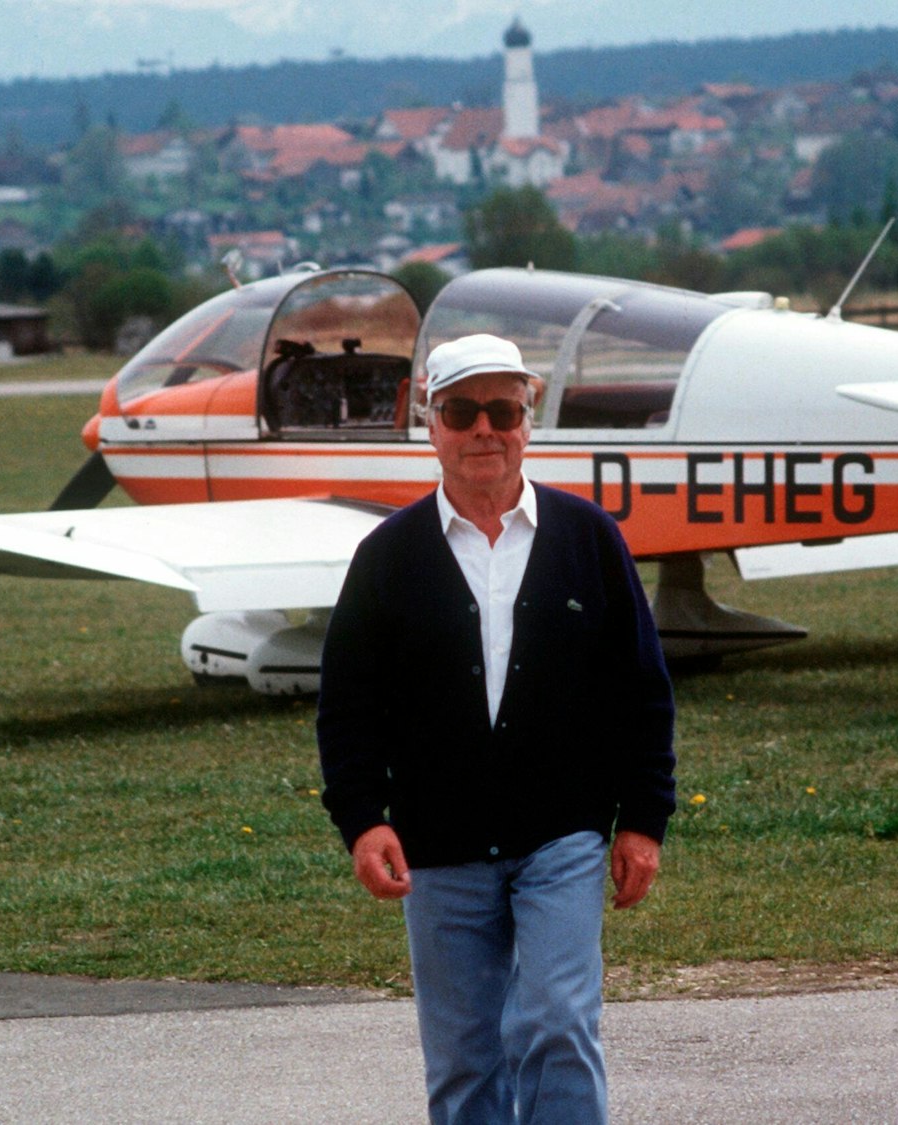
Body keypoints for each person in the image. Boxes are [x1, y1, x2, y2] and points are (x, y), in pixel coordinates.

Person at [316, 333, 676, 1125]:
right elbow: (347, 704)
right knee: (464, 1058)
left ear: (528, 419)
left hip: (563, 836)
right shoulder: (385, 557)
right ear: (431, 423)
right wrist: (363, 820)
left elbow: (642, 691)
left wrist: (643, 821)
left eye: (503, 410)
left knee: (555, 1020)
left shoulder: (589, 539)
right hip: (438, 847)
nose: (485, 429)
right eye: (462, 410)